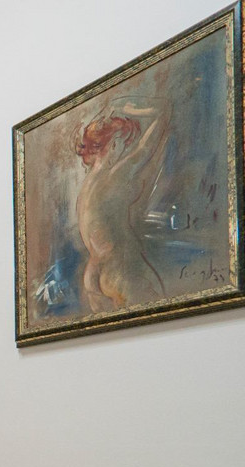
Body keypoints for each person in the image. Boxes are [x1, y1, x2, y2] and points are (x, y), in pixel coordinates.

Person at [73, 96, 172, 311]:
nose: (126, 148)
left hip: (94, 274)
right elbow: (159, 121)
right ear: (114, 144)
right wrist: (132, 110)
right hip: (120, 269)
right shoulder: (115, 176)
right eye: (125, 142)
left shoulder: (87, 186)